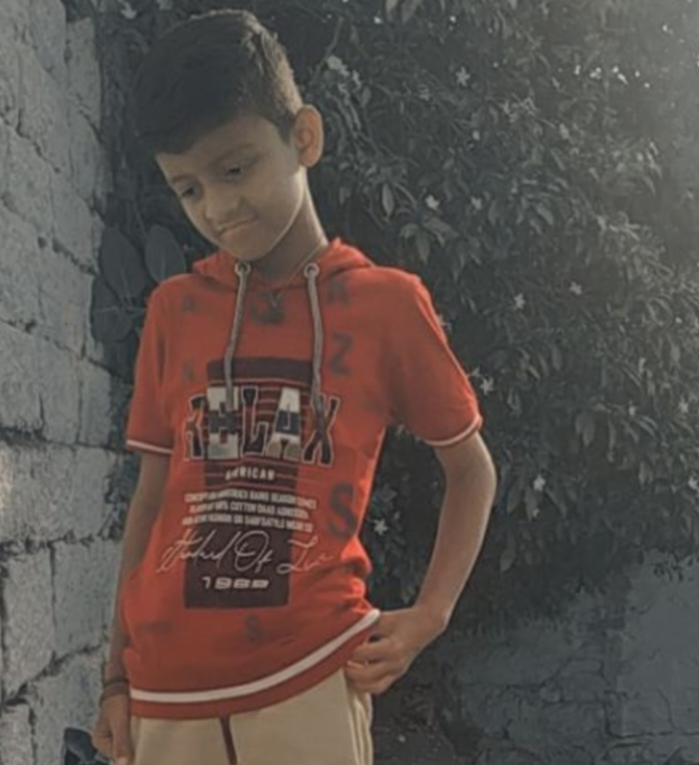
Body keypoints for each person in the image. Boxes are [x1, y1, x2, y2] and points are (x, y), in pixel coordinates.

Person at [92, 9, 497, 765]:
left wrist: (431, 613)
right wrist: (115, 677)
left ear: (303, 137)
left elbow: (470, 468)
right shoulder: (175, 310)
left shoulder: (385, 305)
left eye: (235, 169)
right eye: (188, 188)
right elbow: (150, 501)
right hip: (164, 691)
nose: (217, 208)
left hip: (309, 676)